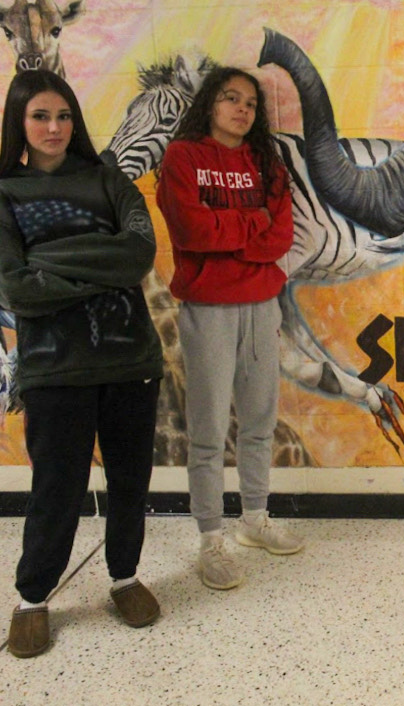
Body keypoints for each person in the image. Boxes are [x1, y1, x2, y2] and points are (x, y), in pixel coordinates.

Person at [0, 70, 164, 657]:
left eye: (63, 116)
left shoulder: (109, 178)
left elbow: (139, 254)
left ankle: (123, 576)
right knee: (56, 488)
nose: (54, 127)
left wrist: (51, 259)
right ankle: (33, 597)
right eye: (41, 116)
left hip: (130, 359)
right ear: (19, 122)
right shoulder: (4, 192)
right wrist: (100, 264)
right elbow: (18, 289)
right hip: (53, 366)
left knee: (129, 482)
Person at [155, 67, 302, 591]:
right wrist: (252, 221)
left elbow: (280, 235)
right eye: (230, 98)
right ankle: (210, 541)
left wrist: (232, 232)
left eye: (250, 103)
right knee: (210, 431)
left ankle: (254, 522)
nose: (242, 109)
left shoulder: (266, 160)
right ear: (209, 104)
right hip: (208, 308)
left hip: (262, 304)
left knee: (260, 420)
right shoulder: (183, 157)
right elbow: (190, 231)